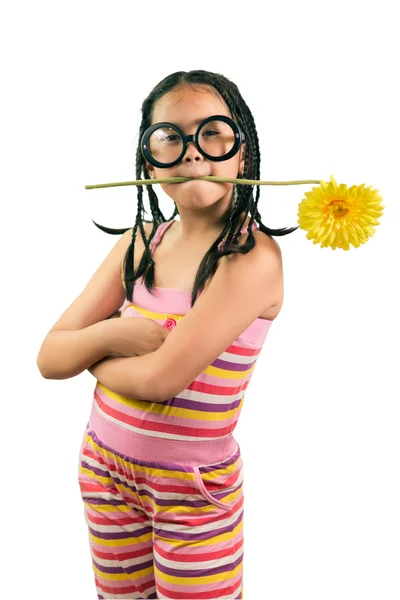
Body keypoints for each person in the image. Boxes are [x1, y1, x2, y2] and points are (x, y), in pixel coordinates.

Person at [37, 70, 297, 599]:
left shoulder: (251, 259)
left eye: (213, 133)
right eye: (169, 138)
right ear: (147, 161)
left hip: (191, 489)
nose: (191, 154)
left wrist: (93, 351)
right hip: (103, 468)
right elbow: (48, 356)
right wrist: (114, 335)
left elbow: (159, 379)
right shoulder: (141, 242)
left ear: (243, 153)